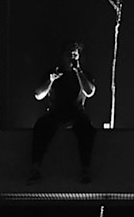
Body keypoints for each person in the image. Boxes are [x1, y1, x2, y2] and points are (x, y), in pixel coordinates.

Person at [28, 41, 97, 184]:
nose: (71, 57)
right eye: (68, 54)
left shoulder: (83, 74)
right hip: (56, 113)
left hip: (77, 113)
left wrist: (78, 72)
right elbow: (38, 95)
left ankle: (85, 169)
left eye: (74, 54)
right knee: (41, 126)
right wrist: (50, 80)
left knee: (87, 129)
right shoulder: (53, 73)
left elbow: (89, 91)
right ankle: (35, 167)